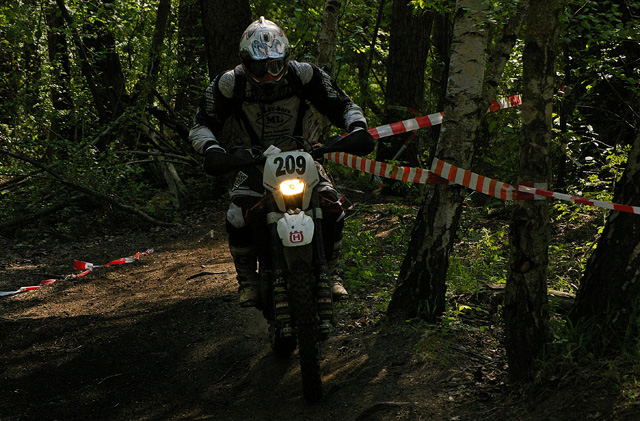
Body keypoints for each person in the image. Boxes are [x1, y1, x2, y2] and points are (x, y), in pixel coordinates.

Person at [189, 17, 370, 307]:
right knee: (237, 215)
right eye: (259, 67)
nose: (268, 76)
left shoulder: (305, 75)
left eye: (275, 65)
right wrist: (212, 149)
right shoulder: (229, 83)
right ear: (245, 61)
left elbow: (342, 104)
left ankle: (332, 270)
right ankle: (247, 279)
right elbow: (202, 123)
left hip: (304, 157)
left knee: (333, 207)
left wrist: (357, 128)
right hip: (253, 163)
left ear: (286, 59)